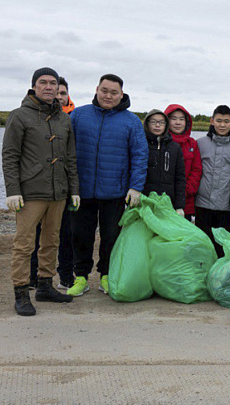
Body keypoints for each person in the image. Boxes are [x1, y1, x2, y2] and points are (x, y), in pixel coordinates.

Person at [2, 68, 78, 315]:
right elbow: (10, 156)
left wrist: (73, 189)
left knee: (51, 240)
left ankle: (45, 285)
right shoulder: (19, 116)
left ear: (58, 88)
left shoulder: (64, 119)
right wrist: (13, 191)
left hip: (58, 191)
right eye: (43, 82)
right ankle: (21, 292)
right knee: (24, 244)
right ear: (33, 86)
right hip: (30, 191)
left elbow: (70, 158)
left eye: (53, 83)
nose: (48, 86)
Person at [68, 74, 147, 296]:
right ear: (96, 89)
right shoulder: (79, 115)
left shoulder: (131, 121)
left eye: (114, 92)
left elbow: (140, 156)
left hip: (115, 192)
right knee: (80, 235)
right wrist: (69, 186)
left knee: (111, 236)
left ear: (121, 94)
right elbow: (65, 150)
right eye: (104, 90)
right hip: (82, 192)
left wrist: (136, 187)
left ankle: (106, 276)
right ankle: (81, 277)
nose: (108, 96)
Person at [30, 75, 75, 289]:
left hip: (65, 188)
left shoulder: (73, 119)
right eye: (56, 92)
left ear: (67, 96)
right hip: (38, 188)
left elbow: (74, 155)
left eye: (63, 93)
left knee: (65, 234)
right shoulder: (31, 116)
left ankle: (65, 277)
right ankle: (33, 278)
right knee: (35, 235)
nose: (58, 95)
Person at [195, 105, 230, 255]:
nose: (222, 125)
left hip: (225, 207)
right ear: (211, 121)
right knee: (201, 246)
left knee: (222, 248)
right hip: (202, 205)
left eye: (226, 121)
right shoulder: (200, 143)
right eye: (218, 121)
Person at [142, 110, 186, 211]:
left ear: (166, 125)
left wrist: (180, 206)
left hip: (168, 202)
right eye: (153, 122)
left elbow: (180, 179)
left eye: (161, 122)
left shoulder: (175, 148)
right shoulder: (140, 145)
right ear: (147, 124)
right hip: (144, 201)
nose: (158, 125)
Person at [165, 104, 202, 221]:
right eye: (174, 119)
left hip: (186, 201)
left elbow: (197, 170)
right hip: (163, 199)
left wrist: (184, 191)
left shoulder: (192, 143)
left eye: (181, 119)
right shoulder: (160, 142)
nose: (178, 123)